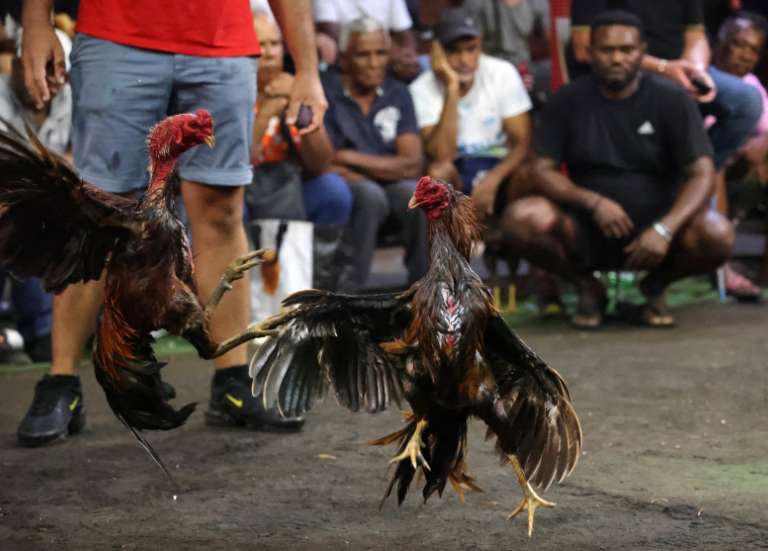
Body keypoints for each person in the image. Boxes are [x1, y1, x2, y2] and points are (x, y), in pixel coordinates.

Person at [16, 0, 327, 446]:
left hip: (222, 41)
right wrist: (36, 21)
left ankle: (233, 378)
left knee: (221, 209)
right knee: (98, 210)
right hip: (116, 35)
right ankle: (61, 380)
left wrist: (308, 68)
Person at [502, 10, 734, 329]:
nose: (616, 58)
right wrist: (593, 202)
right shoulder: (568, 100)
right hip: (583, 227)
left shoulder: (673, 99)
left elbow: (702, 171)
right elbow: (541, 168)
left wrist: (665, 229)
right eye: (606, 50)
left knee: (716, 233)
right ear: (590, 52)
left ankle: (656, 285)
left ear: (642, 51)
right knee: (521, 219)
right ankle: (587, 285)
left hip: (658, 234)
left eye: (626, 50)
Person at [323, 16, 427, 292]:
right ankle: (348, 298)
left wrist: (346, 156)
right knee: (370, 196)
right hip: (348, 188)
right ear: (344, 58)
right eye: (363, 55)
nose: (374, 62)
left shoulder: (398, 92)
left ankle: (424, 293)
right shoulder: (325, 92)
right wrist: (380, 168)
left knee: (418, 196)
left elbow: (411, 164)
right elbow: (323, 162)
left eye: (380, 53)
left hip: (388, 184)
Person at [250, 11, 352, 290]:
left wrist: (301, 107)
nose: (269, 53)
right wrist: (267, 111)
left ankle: (322, 286)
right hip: (244, 191)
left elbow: (321, 161)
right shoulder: (232, 91)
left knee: (334, 190)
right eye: (261, 44)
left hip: (287, 188)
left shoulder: (294, 85)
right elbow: (239, 160)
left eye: (274, 44)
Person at [409, 6, 533, 220]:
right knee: (437, 174)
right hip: (457, 172)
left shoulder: (502, 72)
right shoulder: (421, 88)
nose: (464, 59)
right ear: (437, 51)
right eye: (454, 51)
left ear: (481, 44)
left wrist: (492, 180)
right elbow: (442, 156)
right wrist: (452, 88)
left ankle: (504, 235)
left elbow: (522, 142)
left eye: (471, 49)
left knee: (530, 172)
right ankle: (457, 240)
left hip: (499, 167)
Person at [0, 29, 73, 363]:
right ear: (16, 63)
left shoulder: (69, 99)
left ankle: (47, 333)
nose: (52, 81)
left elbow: (80, 161)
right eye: (43, 69)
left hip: (49, 207)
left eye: (57, 72)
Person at [712, 12, 768, 292]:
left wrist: (762, 143)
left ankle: (764, 274)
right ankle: (721, 265)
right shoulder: (701, 79)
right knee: (712, 163)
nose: (746, 55)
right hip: (697, 179)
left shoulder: (752, 87)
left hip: (741, 175)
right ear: (719, 43)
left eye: (754, 50)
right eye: (739, 45)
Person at [313, 0, 421, 81]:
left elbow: (404, 31)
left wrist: (409, 56)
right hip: (347, 53)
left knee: (418, 65)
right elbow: (330, 30)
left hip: (385, 54)